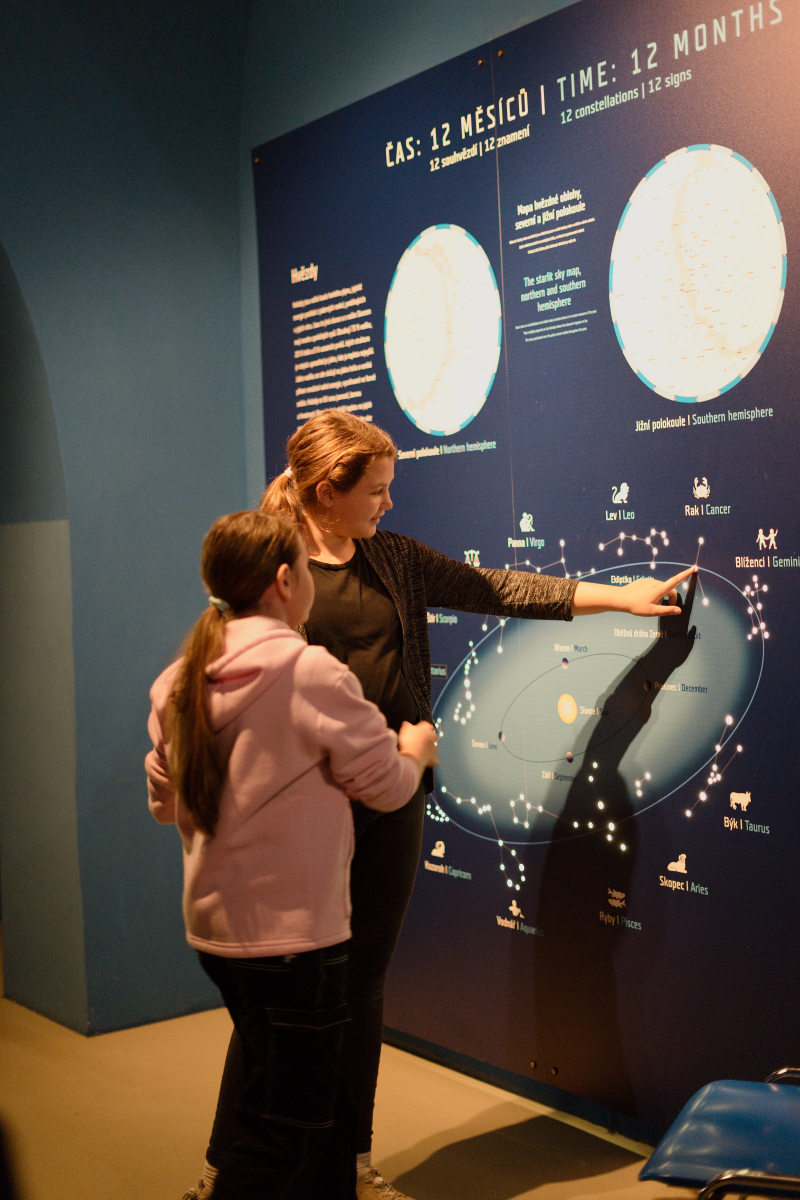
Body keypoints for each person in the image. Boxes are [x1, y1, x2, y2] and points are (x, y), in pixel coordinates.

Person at [195, 413, 695, 1200]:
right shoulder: (273, 568)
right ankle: (232, 1165)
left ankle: (349, 1162)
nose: (390, 503)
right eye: (377, 490)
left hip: (393, 798)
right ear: (325, 492)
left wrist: (622, 599)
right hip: (305, 815)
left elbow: (498, 588)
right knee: (286, 999)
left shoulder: (392, 558)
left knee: (360, 987)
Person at [146, 509, 437, 1200]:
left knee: (274, 1092)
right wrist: (414, 752)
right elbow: (387, 787)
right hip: (295, 940)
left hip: (218, 935)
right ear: (284, 581)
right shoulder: (309, 673)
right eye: (306, 569)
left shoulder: (179, 679)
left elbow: (166, 801)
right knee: (289, 1130)